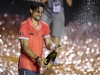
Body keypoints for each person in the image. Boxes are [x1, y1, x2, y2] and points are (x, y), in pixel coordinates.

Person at [18, 1, 61, 75]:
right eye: (38, 12)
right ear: (31, 10)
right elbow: (25, 47)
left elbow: (48, 44)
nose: (40, 14)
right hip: (26, 66)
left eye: (41, 12)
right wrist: (38, 59)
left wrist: (54, 47)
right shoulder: (24, 26)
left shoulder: (45, 26)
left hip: (37, 67)